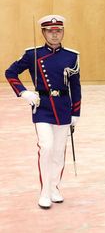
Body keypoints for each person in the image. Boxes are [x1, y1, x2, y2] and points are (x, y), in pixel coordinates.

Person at [5, 15, 81, 210]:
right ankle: (44, 191)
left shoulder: (72, 56)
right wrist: (24, 92)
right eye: (50, 31)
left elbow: (75, 85)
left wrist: (76, 112)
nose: (55, 34)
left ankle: (54, 187)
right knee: (46, 147)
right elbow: (10, 72)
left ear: (63, 32)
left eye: (58, 31)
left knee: (58, 152)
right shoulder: (33, 54)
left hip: (64, 107)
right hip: (42, 106)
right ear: (43, 33)